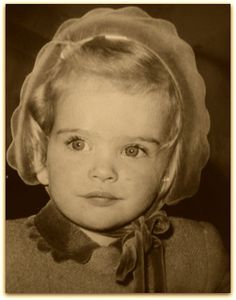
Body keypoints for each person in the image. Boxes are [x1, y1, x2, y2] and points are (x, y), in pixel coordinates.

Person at [6, 6, 229, 293]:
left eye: (133, 150)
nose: (103, 171)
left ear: (167, 170)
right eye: (78, 143)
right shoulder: (8, 259)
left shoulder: (202, 253)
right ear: (40, 157)